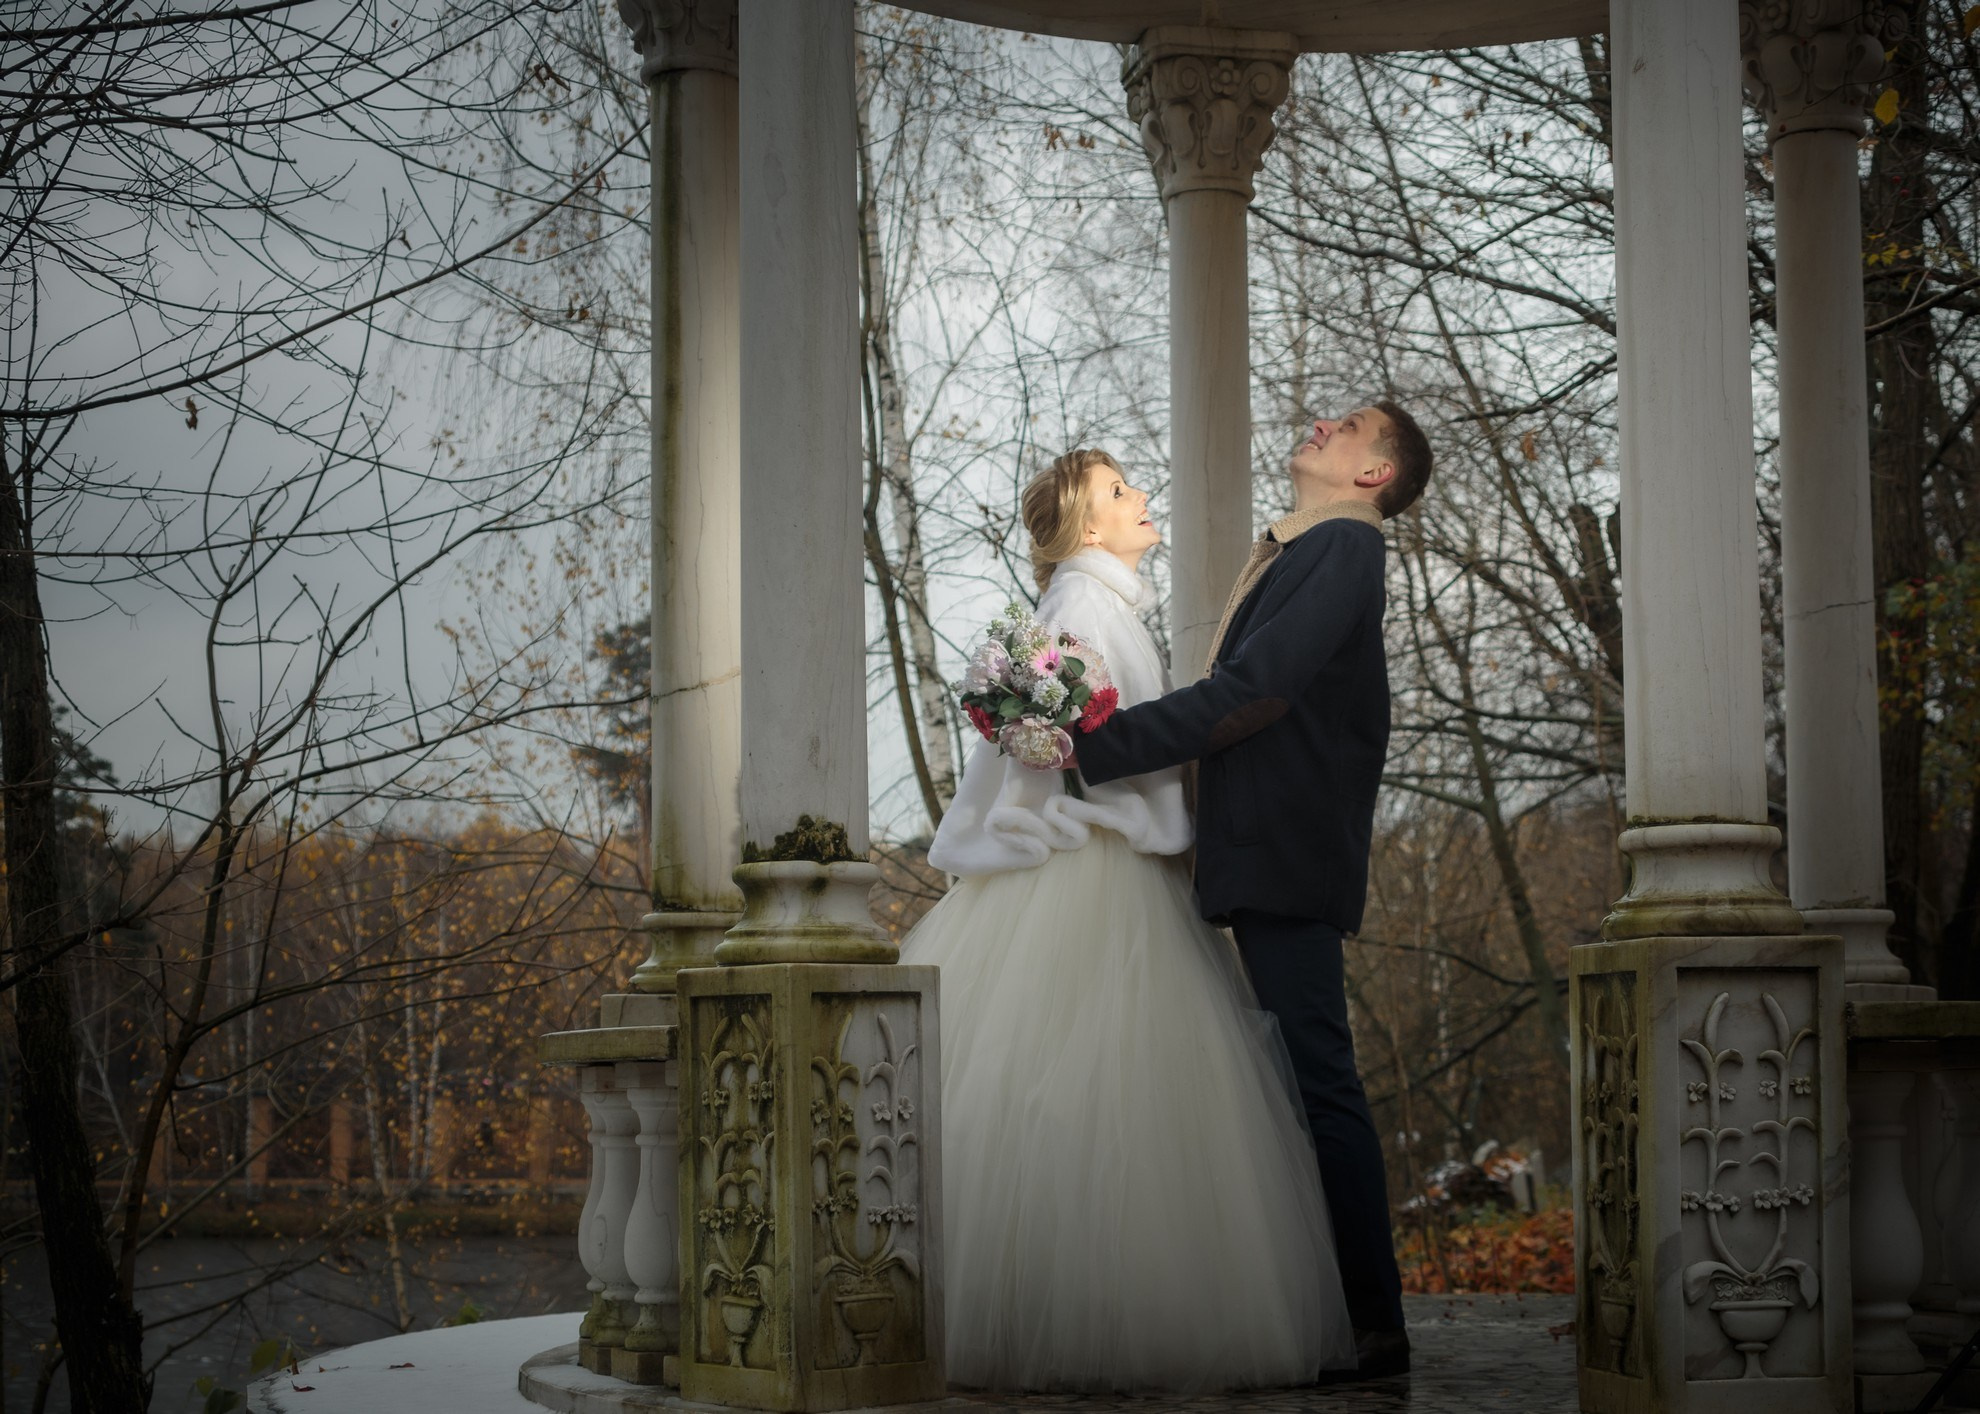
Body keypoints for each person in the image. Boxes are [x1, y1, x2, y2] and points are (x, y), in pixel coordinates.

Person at [900, 448, 1355, 1393]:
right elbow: (1060, 748)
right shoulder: (1084, 607)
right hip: (1094, 868)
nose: (1142, 497)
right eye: (1118, 492)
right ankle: (1096, 1319)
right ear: (1087, 529)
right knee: (1096, 1091)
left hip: (1120, 859)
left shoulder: (1099, 605)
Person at [1073, 402, 1434, 1383]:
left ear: (1374, 475)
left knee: (1318, 1080)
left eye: (1351, 426)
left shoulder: (1348, 551)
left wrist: (1093, 751)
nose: (1323, 423)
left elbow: (1256, 691)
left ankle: (1371, 1324)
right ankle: (1333, 1307)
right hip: (1262, 849)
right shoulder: (1309, 551)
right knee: (1290, 1084)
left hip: (1289, 852)